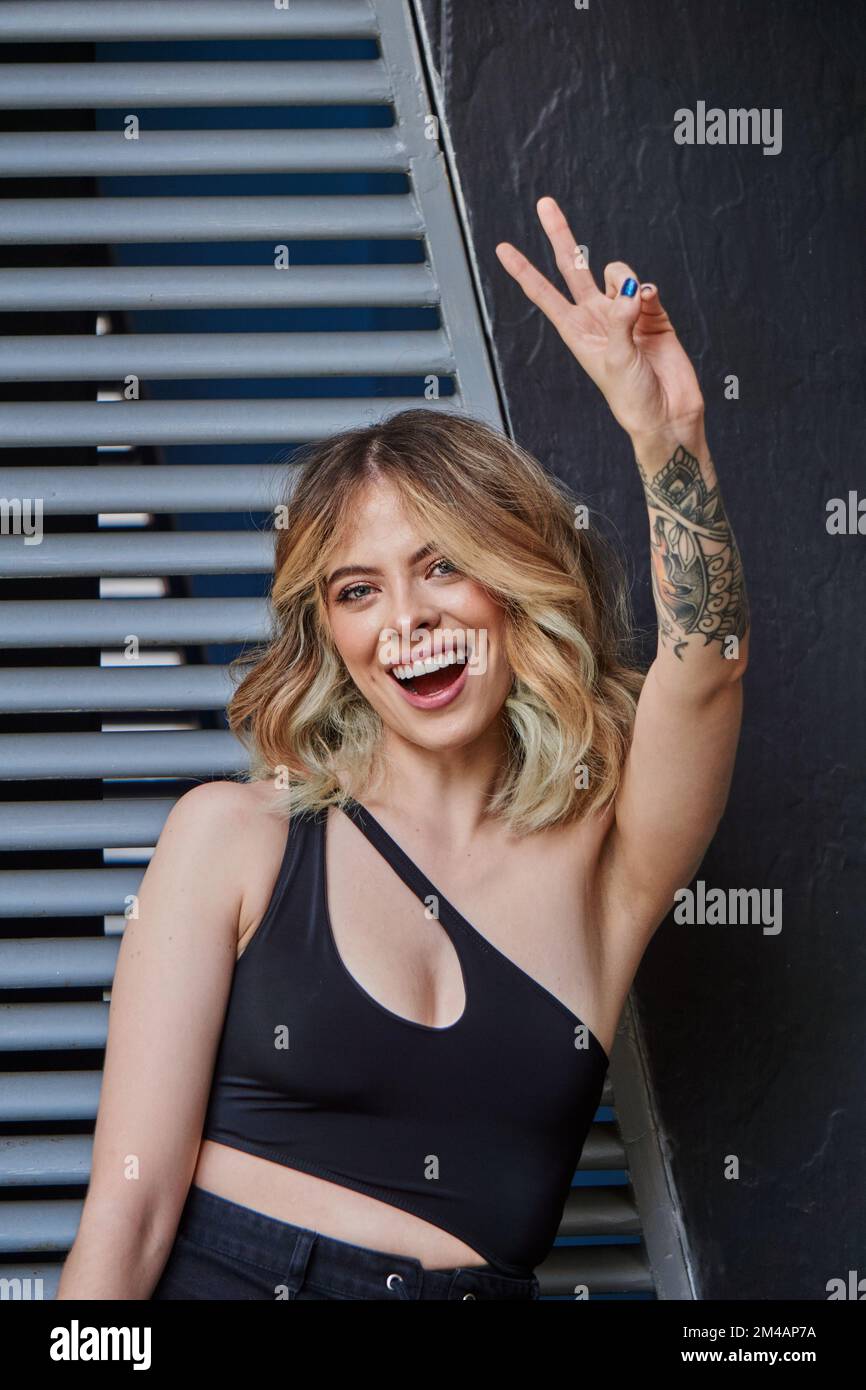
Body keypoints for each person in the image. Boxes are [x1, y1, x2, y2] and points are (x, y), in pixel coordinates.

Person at [57, 196, 748, 1301]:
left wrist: (665, 437)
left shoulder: (607, 863)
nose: (404, 622)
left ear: (512, 579)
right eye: (357, 590)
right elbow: (128, 1215)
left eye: (441, 566)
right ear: (327, 630)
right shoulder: (233, 839)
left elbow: (705, 662)